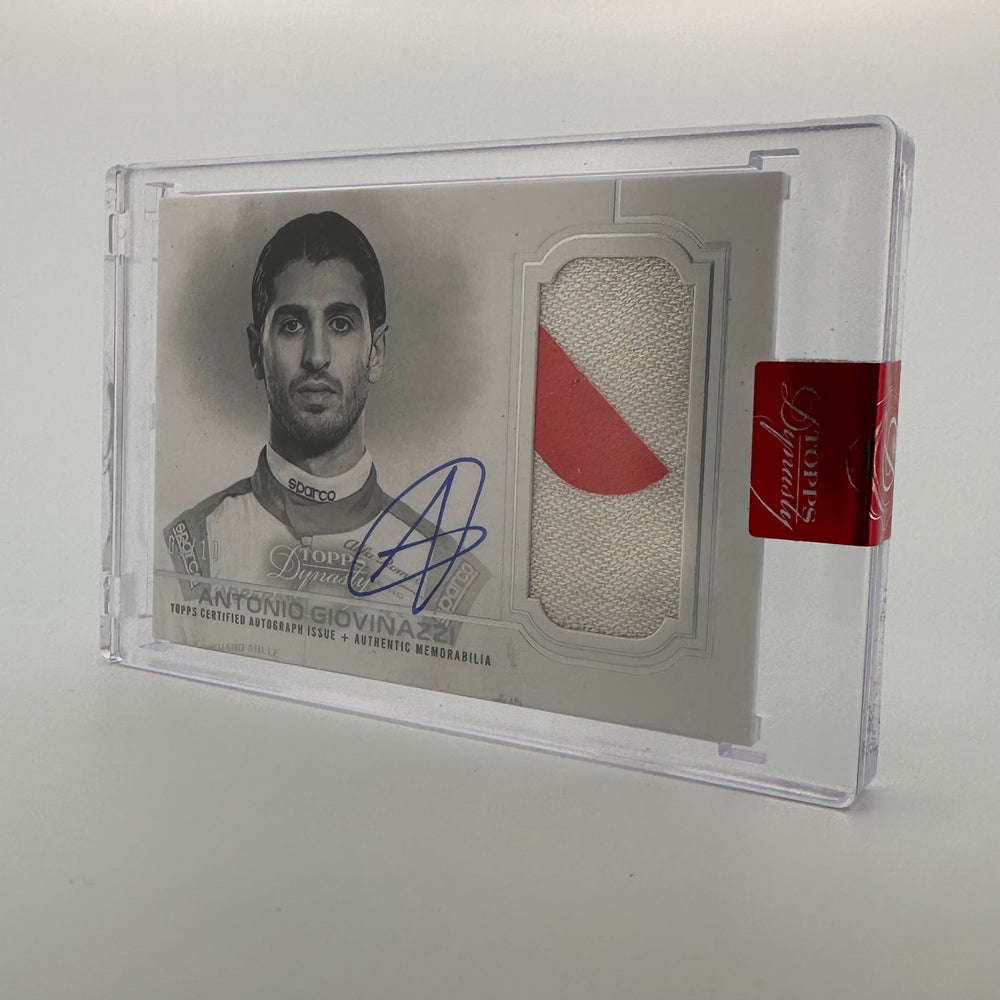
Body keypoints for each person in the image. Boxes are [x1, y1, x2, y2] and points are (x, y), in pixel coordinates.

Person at [163, 211, 487, 617]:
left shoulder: (444, 575)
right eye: (292, 325)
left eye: (340, 323)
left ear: (376, 352)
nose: (316, 356)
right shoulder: (187, 553)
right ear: (256, 352)